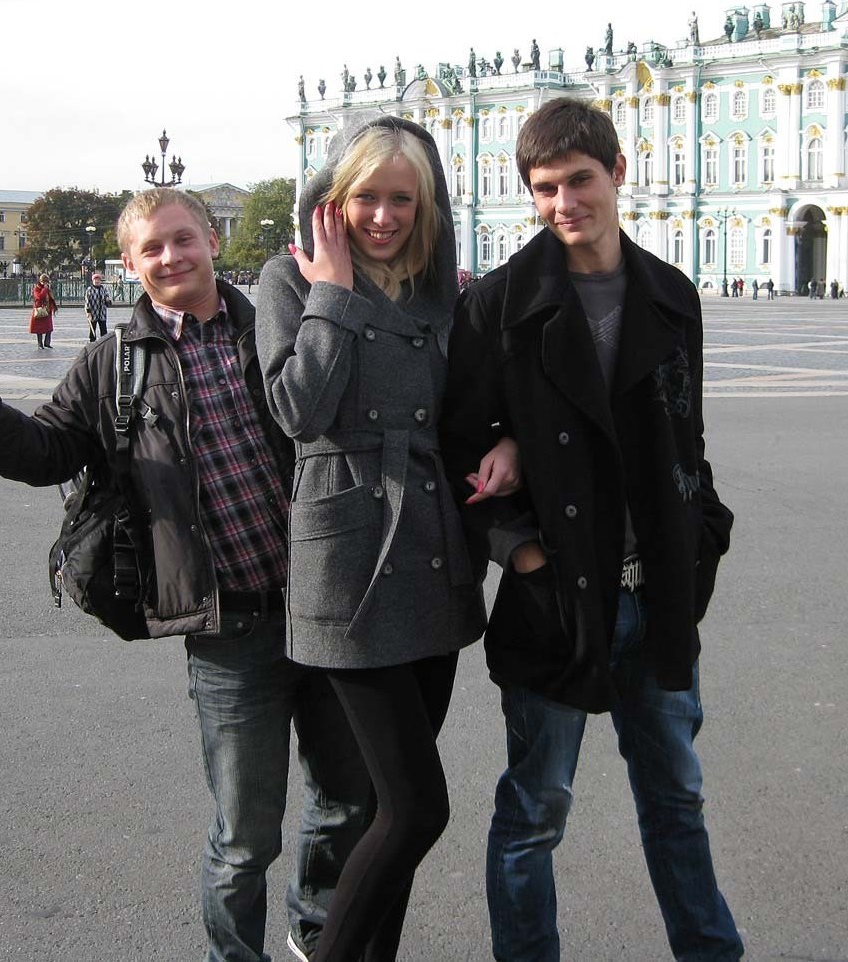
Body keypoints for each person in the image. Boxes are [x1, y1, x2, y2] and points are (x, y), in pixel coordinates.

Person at [0, 188, 372, 962]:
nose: (171, 257)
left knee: (348, 803)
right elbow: (42, 453)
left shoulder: (274, 327)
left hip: (323, 612)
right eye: (152, 248)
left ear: (212, 241)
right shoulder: (113, 366)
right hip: (228, 630)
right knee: (244, 838)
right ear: (130, 263)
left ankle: (314, 934)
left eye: (183, 239)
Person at [442, 97, 744, 962]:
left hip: (659, 598)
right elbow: (459, 450)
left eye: (580, 180)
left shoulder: (672, 295)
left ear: (618, 171)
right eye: (545, 188)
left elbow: (685, 437)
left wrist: (702, 534)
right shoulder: (498, 304)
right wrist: (522, 553)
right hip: (558, 599)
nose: (564, 202)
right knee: (535, 813)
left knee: (677, 803)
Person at [257, 116, 515, 962]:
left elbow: (472, 407)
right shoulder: (288, 277)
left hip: (432, 554)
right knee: (416, 808)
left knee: (386, 814)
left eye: (402, 199)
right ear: (333, 198)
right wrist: (332, 292)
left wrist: (508, 443)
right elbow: (298, 411)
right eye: (366, 196)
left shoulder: (441, 294)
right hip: (347, 562)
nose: (383, 216)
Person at [30, 273, 57, 348]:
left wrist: (53, 307)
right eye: (44, 281)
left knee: (49, 328)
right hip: (40, 310)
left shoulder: (47, 289)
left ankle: (47, 343)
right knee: (39, 329)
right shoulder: (37, 288)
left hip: (47, 310)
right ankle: (40, 344)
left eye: (46, 281)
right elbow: (39, 297)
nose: (45, 283)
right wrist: (44, 289)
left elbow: (51, 298)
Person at [84, 271, 112, 341]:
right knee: (92, 330)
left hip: (102, 313)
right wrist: (88, 312)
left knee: (103, 330)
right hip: (93, 313)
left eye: (98, 280)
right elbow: (87, 302)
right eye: (95, 280)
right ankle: (92, 342)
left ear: (100, 281)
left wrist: (108, 301)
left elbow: (107, 298)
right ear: (93, 281)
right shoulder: (89, 290)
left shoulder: (104, 289)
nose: (97, 281)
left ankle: (104, 343)